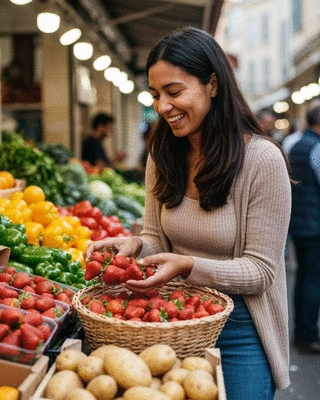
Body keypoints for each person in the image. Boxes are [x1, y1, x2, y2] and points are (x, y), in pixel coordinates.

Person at [85, 27, 292, 399]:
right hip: (171, 321)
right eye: (155, 95)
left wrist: (187, 266)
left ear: (212, 85)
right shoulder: (162, 155)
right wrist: (132, 246)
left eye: (174, 92)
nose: (163, 106)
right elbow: (155, 240)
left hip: (241, 329)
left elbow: (261, 271)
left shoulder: (262, 160)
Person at [288, 106, 320, 354]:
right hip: (314, 225)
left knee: (303, 277)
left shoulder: (293, 143)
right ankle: (307, 334)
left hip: (297, 223)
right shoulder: (317, 147)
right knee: (312, 280)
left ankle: (301, 331)